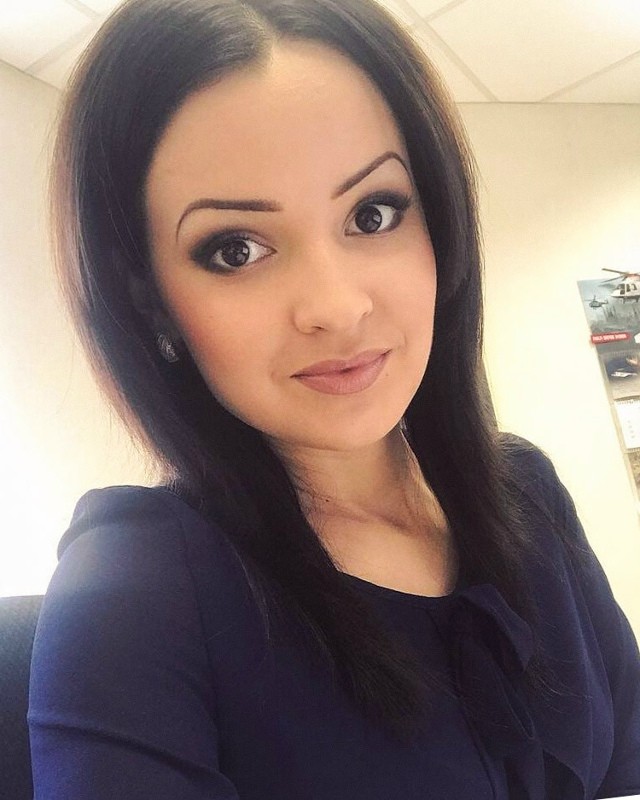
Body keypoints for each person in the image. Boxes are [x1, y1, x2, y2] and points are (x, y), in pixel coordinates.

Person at [27, 0, 640, 798]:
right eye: (236, 249)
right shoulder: (132, 589)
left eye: (373, 214)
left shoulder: (527, 492)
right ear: (150, 301)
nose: (337, 307)